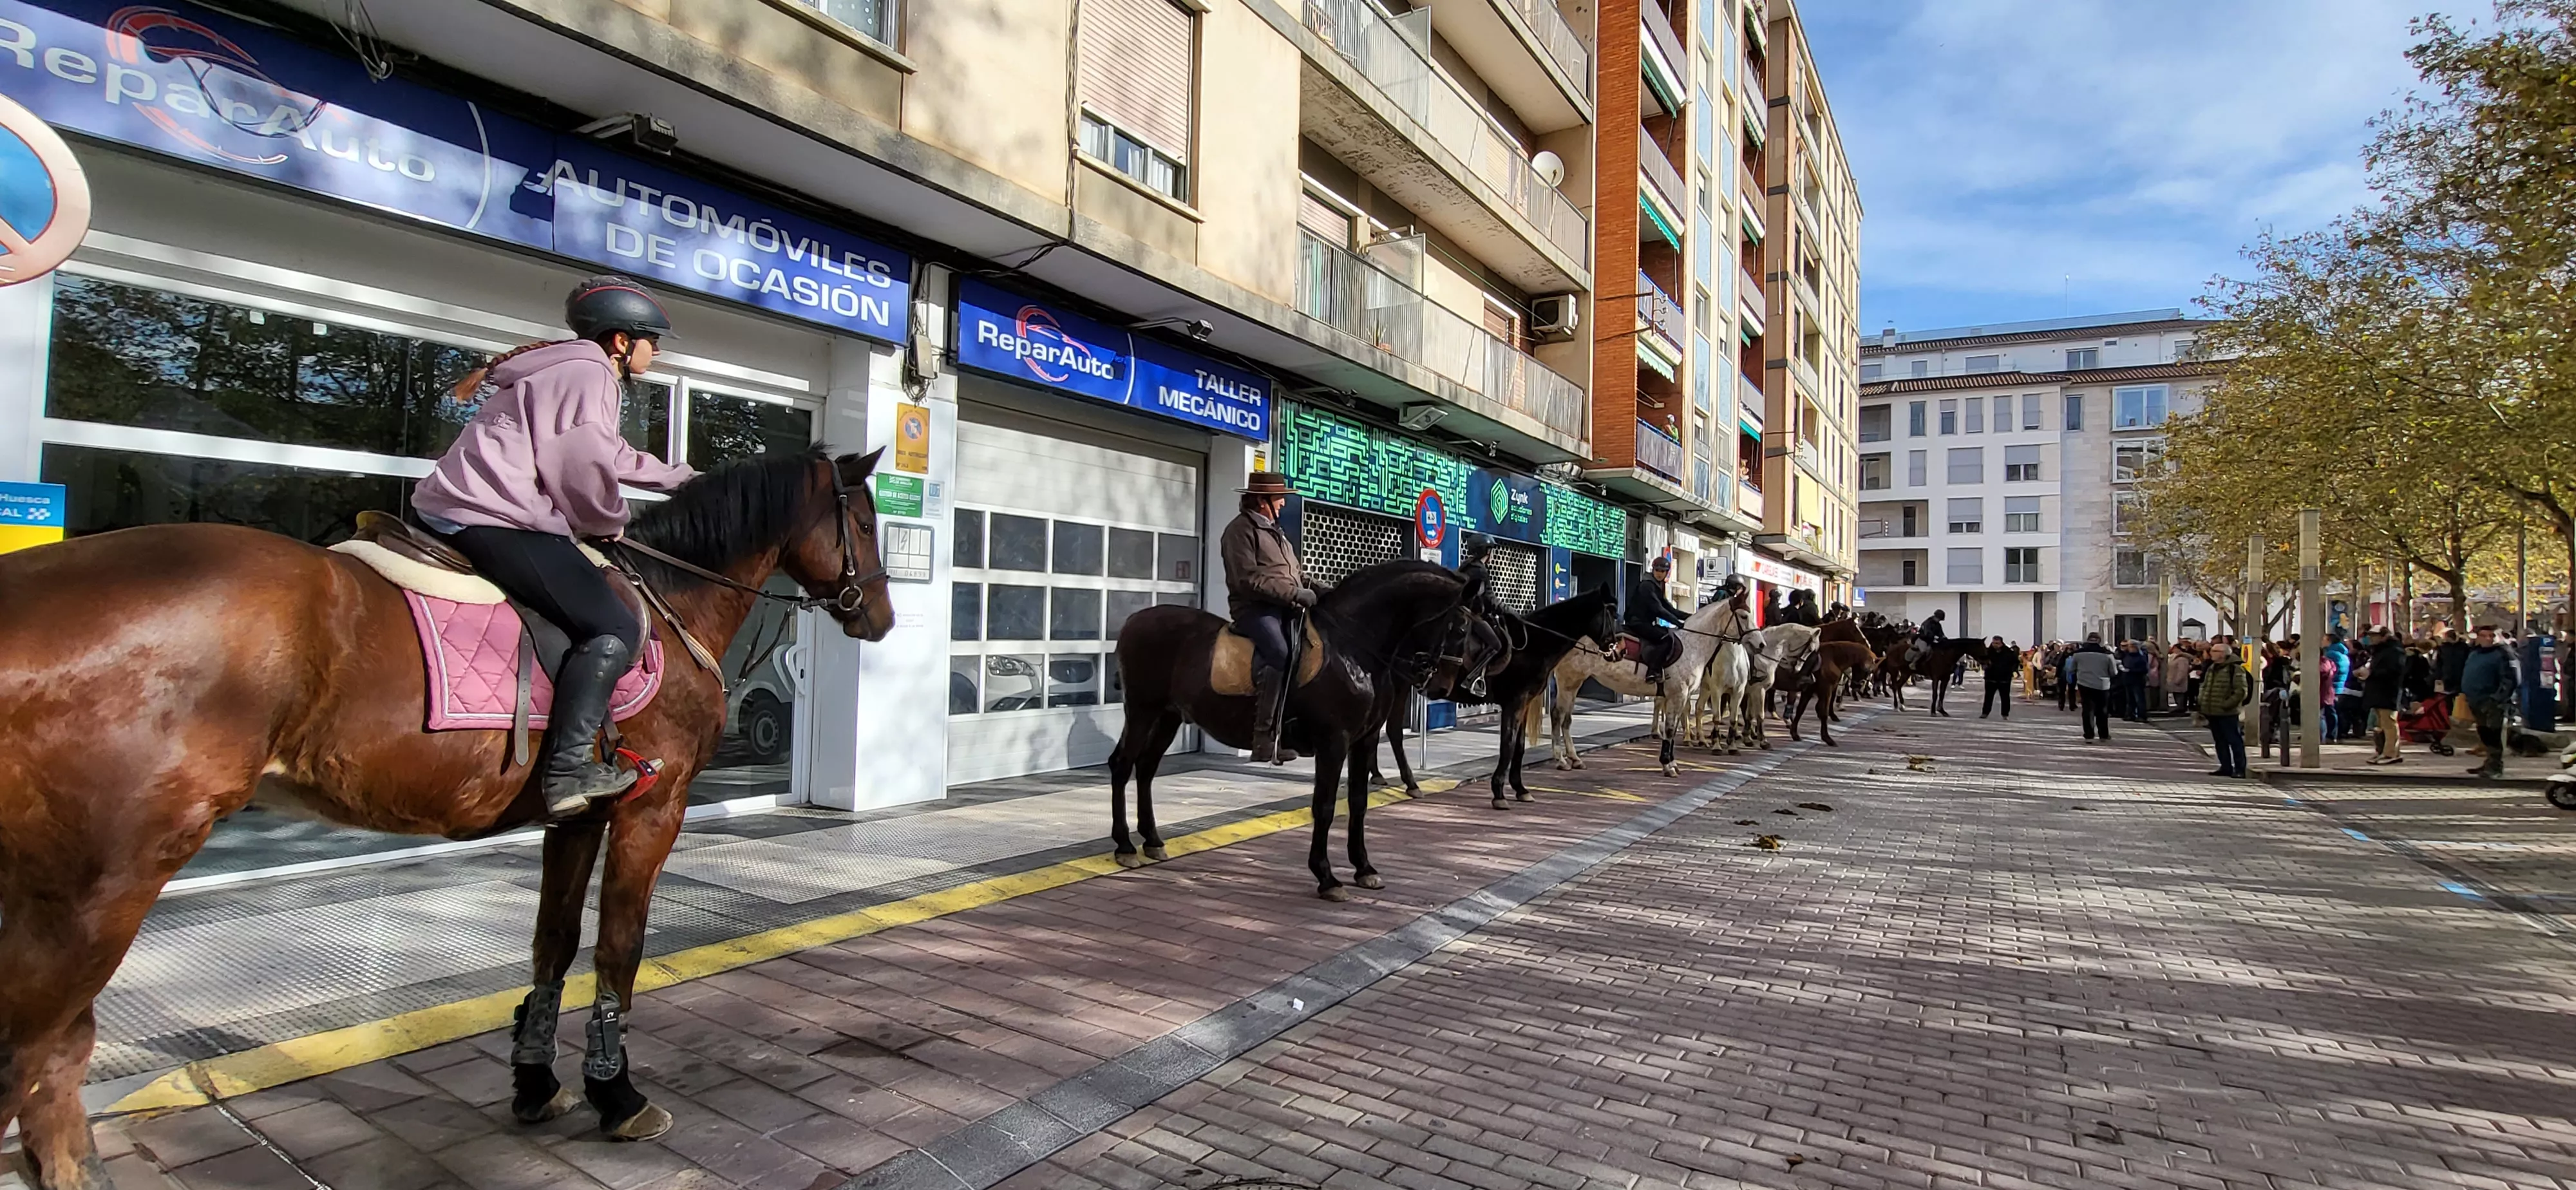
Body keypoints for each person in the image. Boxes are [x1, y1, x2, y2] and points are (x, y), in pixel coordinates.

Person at [413, 275, 697, 820]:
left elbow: (610, 454)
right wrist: (606, 521)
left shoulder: (565, 369)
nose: (656, 351)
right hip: (495, 517)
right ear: (620, 341)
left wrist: (685, 480)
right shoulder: (592, 373)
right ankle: (568, 772)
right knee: (613, 625)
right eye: (651, 340)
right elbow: (581, 467)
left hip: (468, 508)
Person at [1220, 471, 1318, 764]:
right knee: (1279, 652)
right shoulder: (1239, 531)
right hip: (1254, 610)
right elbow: (1247, 580)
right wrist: (1295, 595)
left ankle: (1293, 729)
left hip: (1285, 607)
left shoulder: (1276, 532)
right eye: (1280, 499)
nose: (1284, 504)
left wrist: (1322, 590)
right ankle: (1263, 739)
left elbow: (1296, 575)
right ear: (1263, 502)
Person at [2459, 623, 2520, 779]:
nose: (2488, 639)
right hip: (2475, 700)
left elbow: (2511, 679)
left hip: (2493, 702)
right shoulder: (2476, 653)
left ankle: (2495, 766)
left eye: (2492, 636)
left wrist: (2498, 698)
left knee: (2494, 734)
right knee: (2484, 733)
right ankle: (2488, 763)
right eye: (2484, 636)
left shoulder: (2504, 654)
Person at [1625, 554, 1691, 684]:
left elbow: (1669, 609)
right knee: (1666, 638)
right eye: (1657, 571)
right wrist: (1678, 623)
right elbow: (1658, 610)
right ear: (1653, 570)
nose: (1660, 574)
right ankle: (1653, 671)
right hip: (1637, 622)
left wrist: (1691, 618)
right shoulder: (1647, 586)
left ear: (1667, 573)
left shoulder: (1657, 586)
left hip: (1646, 623)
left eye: (1663, 571)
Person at [2200, 637, 2253, 777]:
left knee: (2234, 740)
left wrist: (2227, 704)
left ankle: (2240, 769)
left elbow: (2241, 690)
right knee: (2220, 741)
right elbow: (2205, 686)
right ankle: (2225, 767)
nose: (2211, 653)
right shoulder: (2212, 668)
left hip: (2227, 712)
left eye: (2215, 651)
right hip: (2212, 711)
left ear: (2223, 654)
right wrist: (2202, 701)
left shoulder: (2235, 669)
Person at [2362, 626, 2407, 764]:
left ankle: (2391, 753)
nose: (2371, 639)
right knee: (2381, 724)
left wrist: (2372, 674)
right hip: (2378, 690)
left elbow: (2394, 671)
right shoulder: (2379, 651)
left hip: (2388, 691)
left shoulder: (2395, 651)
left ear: (2384, 636)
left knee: (2389, 723)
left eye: (2374, 636)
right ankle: (2383, 751)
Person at [2069, 634, 2119, 741]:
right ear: (2099, 641)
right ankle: (2104, 735)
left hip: (2084, 684)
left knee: (2088, 709)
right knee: (2102, 710)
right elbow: (2114, 672)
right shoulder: (2108, 655)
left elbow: (2071, 669)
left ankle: (2089, 735)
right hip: (2103, 685)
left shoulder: (2078, 654)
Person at [1980, 636, 2016, 718]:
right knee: (1988, 697)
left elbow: (2015, 662)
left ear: (2001, 643)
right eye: (1994, 643)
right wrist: (1984, 666)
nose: (1995, 645)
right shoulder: (1988, 652)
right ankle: (1985, 713)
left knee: (2005, 697)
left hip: (2004, 679)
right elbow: (1982, 660)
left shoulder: (2008, 652)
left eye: (1997, 643)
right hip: (1991, 678)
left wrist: (2011, 671)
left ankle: (2005, 714)